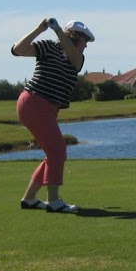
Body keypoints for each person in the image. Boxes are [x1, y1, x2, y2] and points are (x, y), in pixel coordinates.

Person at [11, 17, 95, 213]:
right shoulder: (48, 47)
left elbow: (72, 55)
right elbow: (18, 50)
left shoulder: (77, 58)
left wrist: (57, 30)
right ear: (77, 38)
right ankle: (54, 201)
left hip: (43, 107)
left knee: (54, 152)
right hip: (34, 102)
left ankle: (29, 198)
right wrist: (39, 29)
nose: (86, 46)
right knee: (57, 150)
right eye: (85, 41)